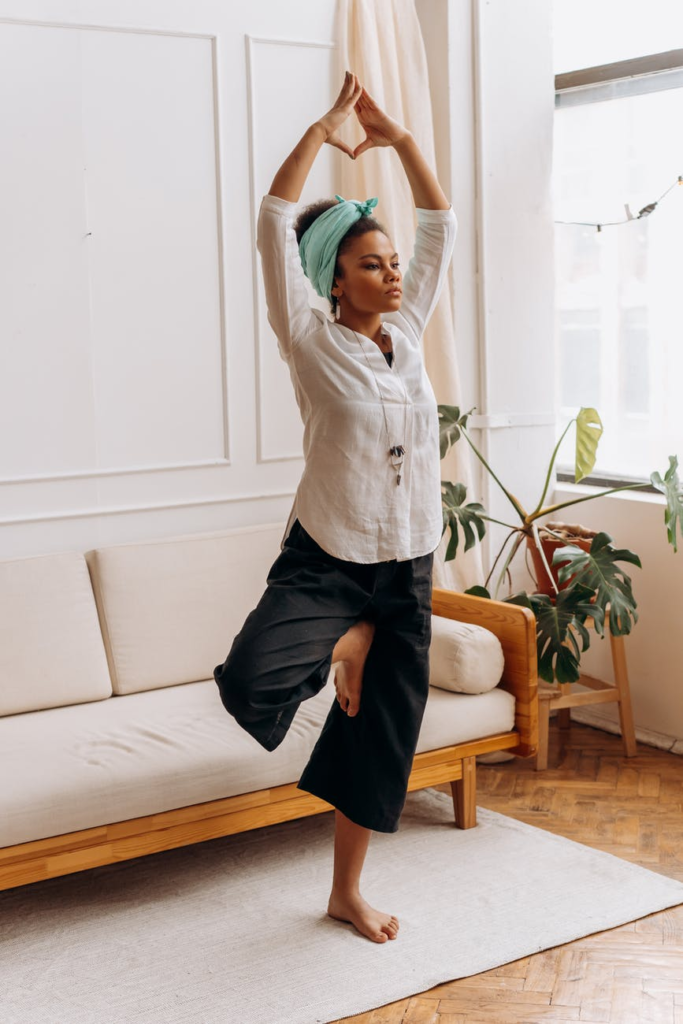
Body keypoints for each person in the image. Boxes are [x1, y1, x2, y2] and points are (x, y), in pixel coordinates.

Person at [213, 71, 457, 944]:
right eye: (370, 265)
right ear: (334, 279)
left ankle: (345, 892)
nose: (392, 275)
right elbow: (273, 225)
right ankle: (344, 640)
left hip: (408, 559)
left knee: (376, 739)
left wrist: (401, 143)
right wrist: (321, 131)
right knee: (251, 682)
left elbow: (439, 229)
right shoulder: (309, 340)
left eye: (392, 264)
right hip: (330, 554)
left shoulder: (410, 329)